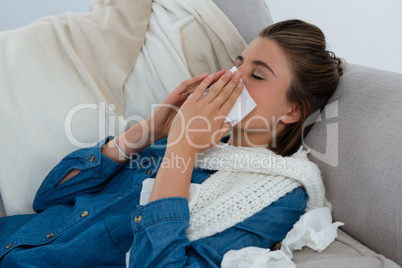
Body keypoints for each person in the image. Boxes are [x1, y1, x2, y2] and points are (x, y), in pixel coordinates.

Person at [0, 20, 343, 267]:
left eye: (257, 75)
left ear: (293, 111)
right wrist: (149, 132)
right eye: (236, 65)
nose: (233, 80)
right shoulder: (192, 139)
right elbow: (48, 198)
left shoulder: (279, 197)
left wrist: (182, 149)